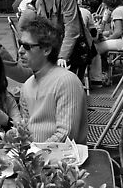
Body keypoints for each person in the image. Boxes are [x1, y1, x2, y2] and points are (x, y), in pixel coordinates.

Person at [18, 16, 88, 144]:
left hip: (63, 160)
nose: (20, 51)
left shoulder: (66, 81)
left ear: (46, 50)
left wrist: (35, 154)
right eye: (20, 44)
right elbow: (26, 130)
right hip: (36, 158)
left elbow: (66, 134)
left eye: (27, 46)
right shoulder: (27, 86)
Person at [27, 0, 90, 79]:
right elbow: (43, 31)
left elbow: (72, 30)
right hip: (54, 49)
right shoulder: (39, 2)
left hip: (74, 50)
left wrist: (62, 56)